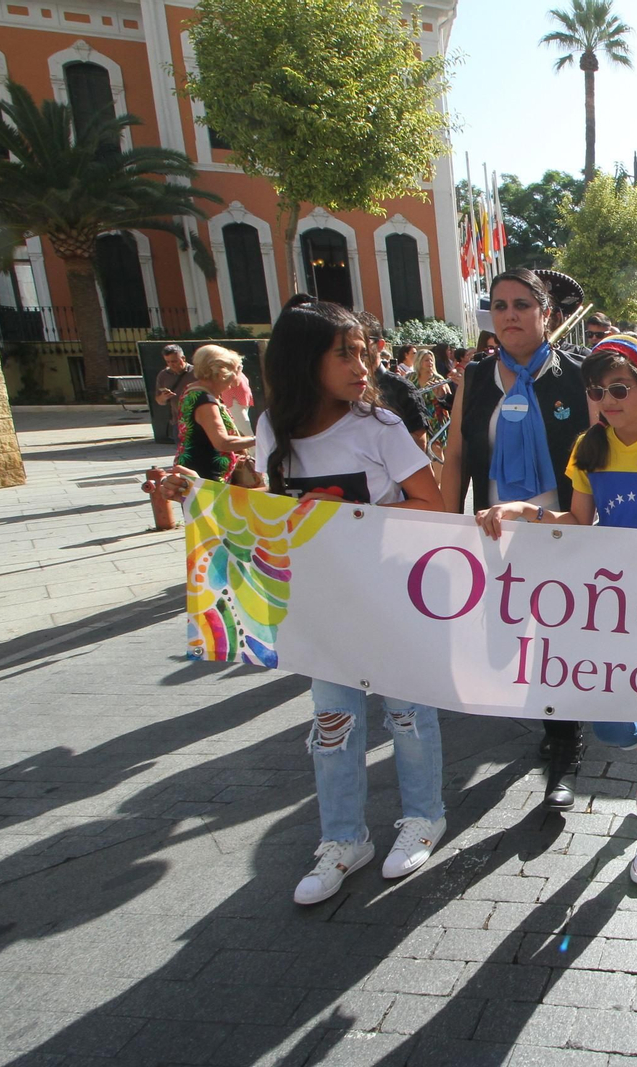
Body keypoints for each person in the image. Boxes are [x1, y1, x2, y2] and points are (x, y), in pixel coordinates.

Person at [161, 296, 447, 904]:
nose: (363, 366)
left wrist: (355, 514)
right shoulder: (272, 429)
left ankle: (424, 817)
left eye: (364, 352)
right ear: (302, 360)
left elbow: (436, 507)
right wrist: (196, 491)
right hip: (319, 606)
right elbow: (269, 511)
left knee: (408, 717)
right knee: (333, 724)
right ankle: (344, 838)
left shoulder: (382, 427)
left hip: (393, 597)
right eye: (345, 353)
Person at [475, 336, 637, 887]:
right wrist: (524, 513)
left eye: (619, 388)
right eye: (598, 390)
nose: (607, 398)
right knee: (611, 724)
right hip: (608, 598)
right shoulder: (588, 446)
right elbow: (579, 521)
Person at [439, 268, 592, 810]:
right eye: (499, 305)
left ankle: (564, 746)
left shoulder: (578, 375)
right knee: (506, 632)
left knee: (557, 633)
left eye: (522, 305)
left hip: (560, 530)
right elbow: (456, 452)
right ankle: (540, 714)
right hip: (493, 528)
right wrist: (443, 523)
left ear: (545, 313)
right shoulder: (475, 377)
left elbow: (601, 455)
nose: (509, 315)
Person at [174, 345, 255, 483]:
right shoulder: (205, 401)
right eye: (234, 371)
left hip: (195, 467)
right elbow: (222, 442)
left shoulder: (191, 390)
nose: (237, 378)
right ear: (220, 374)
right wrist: (259, 439)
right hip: (207, 476)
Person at [356, 313, 430, 450]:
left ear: (380, 345)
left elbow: (419, 442)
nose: (357, 349)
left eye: (363, 341)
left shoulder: (402, 388)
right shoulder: (343, 387)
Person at [153, 344, 196, 442]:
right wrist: (164, 397)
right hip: (178, 421)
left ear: (183, 358)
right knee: (183, 455)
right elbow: (159, 401)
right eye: (168, 362)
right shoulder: (163, 375)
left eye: (174, 361)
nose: (171, 364)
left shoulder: (196, 372)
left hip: (198, 419)